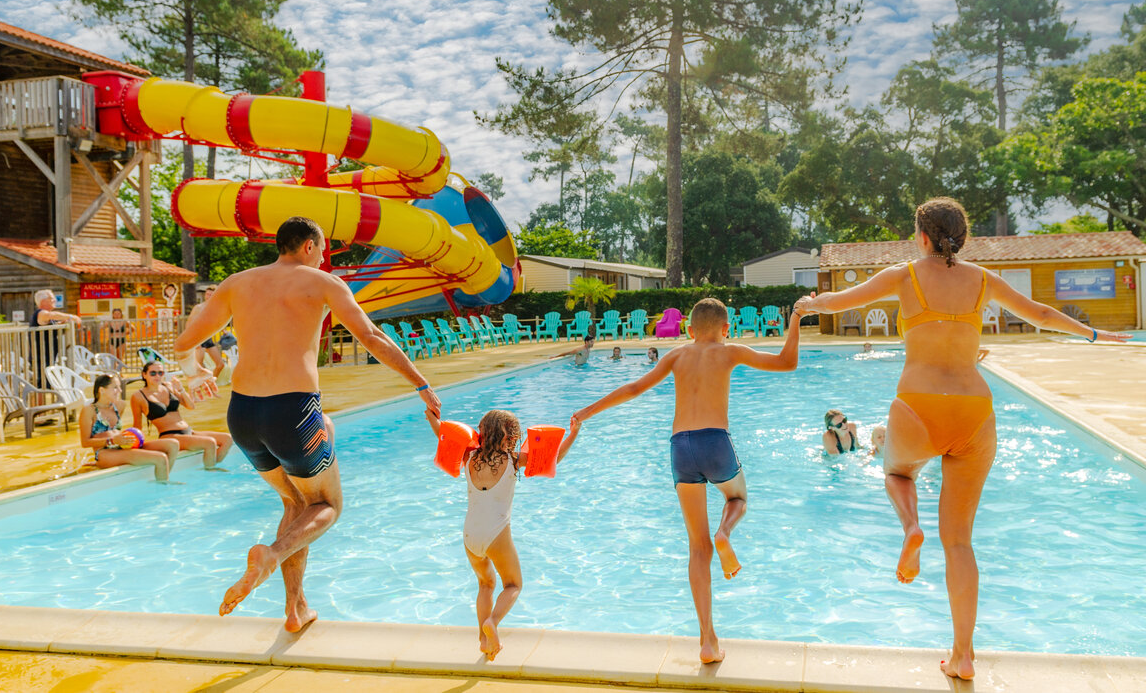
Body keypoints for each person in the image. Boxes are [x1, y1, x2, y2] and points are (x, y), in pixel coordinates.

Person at [793, 196, 1130, 680]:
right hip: (975, 412)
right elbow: (1038, 312)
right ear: (962, 238)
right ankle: (963, 656)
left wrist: (810, 303)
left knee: (893, 470)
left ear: (923, 237)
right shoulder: (982, 279)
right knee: (960, 544)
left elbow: (843, 300)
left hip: (919, 405)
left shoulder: (903, 275)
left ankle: (911, 527)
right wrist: (1095, 335)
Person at [174, 216, 442, 634]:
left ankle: (296, 609)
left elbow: (183, 343)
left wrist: (195, 374)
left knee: (296, 505)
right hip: (292, 413)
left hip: (242, 415)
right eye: (323, 249)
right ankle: (272, 554)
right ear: (311, 247)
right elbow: (371, 337)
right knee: (328, 506)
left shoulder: (237, 282)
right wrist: (421, 384)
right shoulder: (324, 283)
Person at [571, 299, 802, 665]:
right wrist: (796, 319)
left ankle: (707, 641)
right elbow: (788, 362)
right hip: (714, 440)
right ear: (726, 329)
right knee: (738, 498)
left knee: (697, 546)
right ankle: (725, 532)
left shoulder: (677, 355)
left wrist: (586, 411)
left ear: (689, 330)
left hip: (681, 447)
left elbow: (633, 388)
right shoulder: (731, 351)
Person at [424, 407, 579, 660]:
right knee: (513, 584)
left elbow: (442, 434)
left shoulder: (469, 457)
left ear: (484, 433)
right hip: (496, 532)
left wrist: (431, 415)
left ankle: (484, 640)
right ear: (510, 435)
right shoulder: (514, 460)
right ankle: (492, 623)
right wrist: (573, 434)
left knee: (485, 584)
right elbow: (553, 457)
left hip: (469, 534)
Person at [130, 361, 234, 470]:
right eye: (153, 373)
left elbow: (190, 406)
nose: (157, 376)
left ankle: (210, 466)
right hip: (170, 435)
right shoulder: (138, 396)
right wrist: (136, 447)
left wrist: (181, 389)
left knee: (227, 439)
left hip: (189, 432)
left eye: (160, 373)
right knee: (209, 443)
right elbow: (137, 425)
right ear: (144, 374)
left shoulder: (168, 386)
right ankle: (211, 471)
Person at [78, 374, 179, 482]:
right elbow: (85, 442)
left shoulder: (119, 406)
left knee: (173, 444)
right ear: (102, 390)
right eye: (115, 387)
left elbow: (115, 430)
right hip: (105, 453)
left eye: (119, 387)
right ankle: (163, 487)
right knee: (160, 458)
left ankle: (163, 477)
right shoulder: (89, 411)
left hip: (122, 447)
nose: (120, 391)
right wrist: (112, 441)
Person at [31, 289, 80, 384]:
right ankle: (37, 399)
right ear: (43, 301)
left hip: (48, 355)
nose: (54, 300)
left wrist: (63, 323)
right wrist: (71, 317)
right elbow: (50, 315)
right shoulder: (41, 313)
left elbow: (52, 323)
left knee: (46, 384)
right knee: (41, 385)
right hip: (41, 357)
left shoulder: (48, 316)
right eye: (52, 298)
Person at [187, 285, 227, 379]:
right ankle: (199, 385)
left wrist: (224, 331)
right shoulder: (198, 307)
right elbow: (189, 324)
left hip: (207, 338)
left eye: (211, 295)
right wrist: (193, 341)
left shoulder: (216, 309)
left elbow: (216, 323)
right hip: (198, 339)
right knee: (199, 366)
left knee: (220, 365)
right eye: (207, 294)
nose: (208, 296)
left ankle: (211, 382)